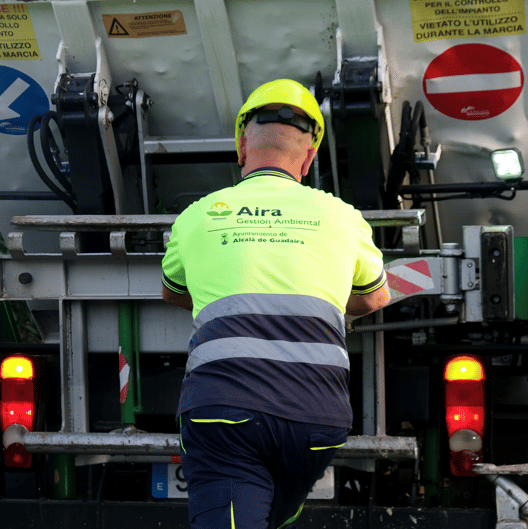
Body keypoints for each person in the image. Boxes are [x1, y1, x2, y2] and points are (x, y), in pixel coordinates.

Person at [161, 79, 391, 529]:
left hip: (223, 411)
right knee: (274, 512)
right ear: (307, 159)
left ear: (242, 147)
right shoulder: (343, 217)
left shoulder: (198, 214)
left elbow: (173, 291)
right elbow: (374, 297)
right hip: (317, 420)